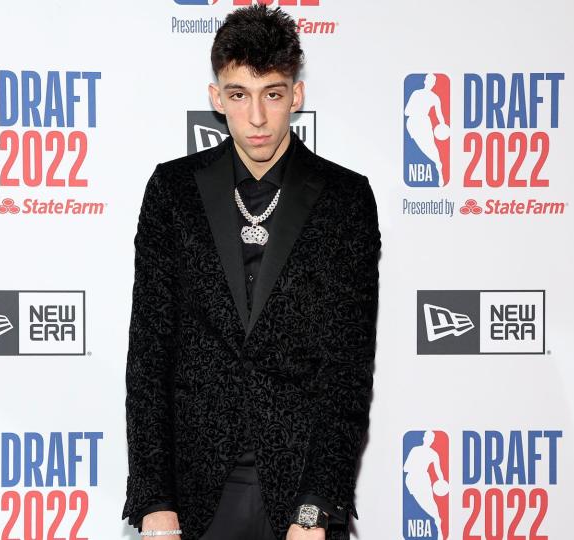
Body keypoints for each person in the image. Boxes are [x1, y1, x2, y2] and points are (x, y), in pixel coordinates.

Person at [122, 6, 381, 540]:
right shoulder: (173, 192)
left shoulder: (345, 200)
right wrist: (154, 500)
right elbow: (150, 355)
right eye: (239, 95)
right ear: (217, 98)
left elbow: (347, 370)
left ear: (296, 96)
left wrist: (315, 507)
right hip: (193, 495)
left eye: (273, 94)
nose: (257, 118)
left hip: (299, 495)